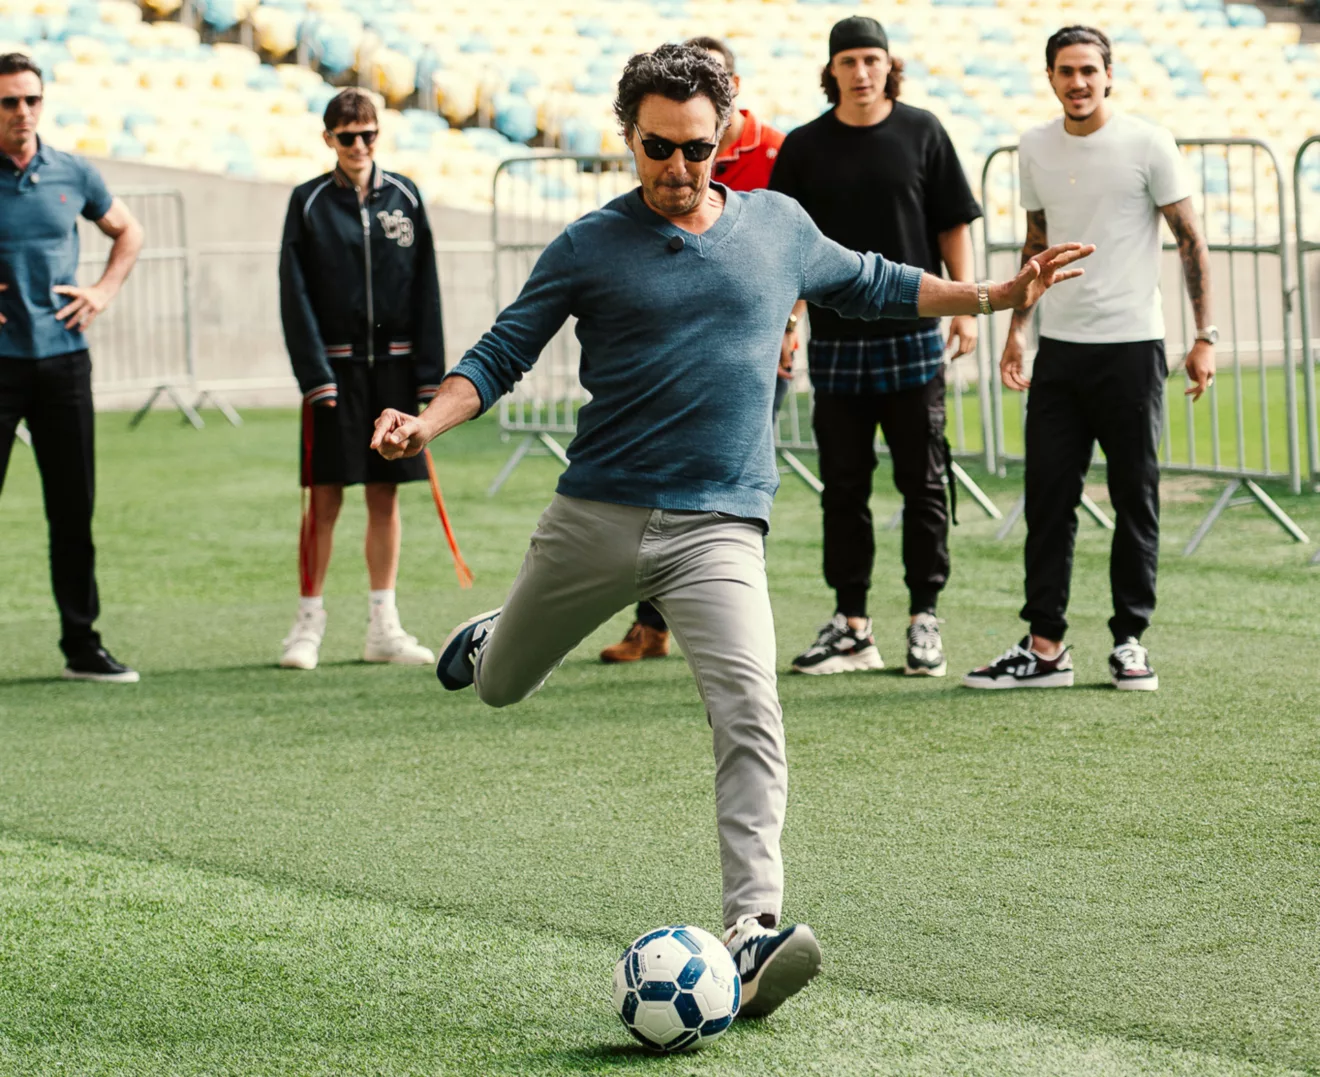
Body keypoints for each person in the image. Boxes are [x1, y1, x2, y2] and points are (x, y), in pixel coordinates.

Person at [369, 45, 1089, 1018]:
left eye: (697, 149)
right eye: (657, 149)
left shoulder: (779, 225)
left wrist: (994, 297)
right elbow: (500, 354)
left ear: (729, 131)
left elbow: (877, 282)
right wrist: (427, 421)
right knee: (499, 689)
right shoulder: (587, 244)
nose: (678, 170)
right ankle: (497, 635)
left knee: (749, 708)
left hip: (717, 529)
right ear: (627, 137)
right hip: (596, 514)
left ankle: (752, 931)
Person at [963, 26, 1215, 692]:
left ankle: (1130, 641)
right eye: (1065, 71)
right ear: (1049, 77)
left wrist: (1205, 335)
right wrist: (1018, 328)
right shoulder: (1035, 146)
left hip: (1132, 350)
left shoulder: (1148, 142)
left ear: (1109, 74)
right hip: (1060, 354)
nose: (1077, 82)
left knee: (1136, 497)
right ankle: (1045, 647)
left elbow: (1191, 239)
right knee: (1048, 498)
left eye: (1088, 70)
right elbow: (1037, 243)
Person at [770, 16, 983, 680]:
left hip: (913, 337)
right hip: (836, 341)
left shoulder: (922, 131)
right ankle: (853, 625)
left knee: (923, 482)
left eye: (872, 59)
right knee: (843, 488)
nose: (862, 72)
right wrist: (787, 322)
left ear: (891, 66)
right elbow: (785, 250)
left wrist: (967, 303)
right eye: (849, 61)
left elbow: (951, 222)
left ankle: (925, 618)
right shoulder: (804, 146)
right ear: (830, 70)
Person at [599, 34, 791, 666]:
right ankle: (651, 623)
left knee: (726, 484)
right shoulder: (644, 190)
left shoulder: (774, 154)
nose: (678, 159)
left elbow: (801, 256)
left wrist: (787, 325)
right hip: (668, 356)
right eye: (658, 144)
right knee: (664, 474)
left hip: (751, 347)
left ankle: (724, 626)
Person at [277, 88, 444, 671]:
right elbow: (292, 296)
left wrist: (429, 381)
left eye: (368, 134)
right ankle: (307, 624)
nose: (358, 145)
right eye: (346, 136)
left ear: (379, 134)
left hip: (394, 372)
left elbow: (428, 288)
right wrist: (313, 376)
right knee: (323, 501)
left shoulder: (407, 197)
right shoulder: (308, 203)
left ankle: (383, 624)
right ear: (328, 139)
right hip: (335, 372)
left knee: (384, 495)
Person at [0, 53, 144, 683]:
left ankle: (81, 645)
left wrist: (103, 292)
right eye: (9, 102)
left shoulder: (71, 171)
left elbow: (127, 231)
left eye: (31, 100)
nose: (22, 113)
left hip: (62, 365)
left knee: (72, 509)